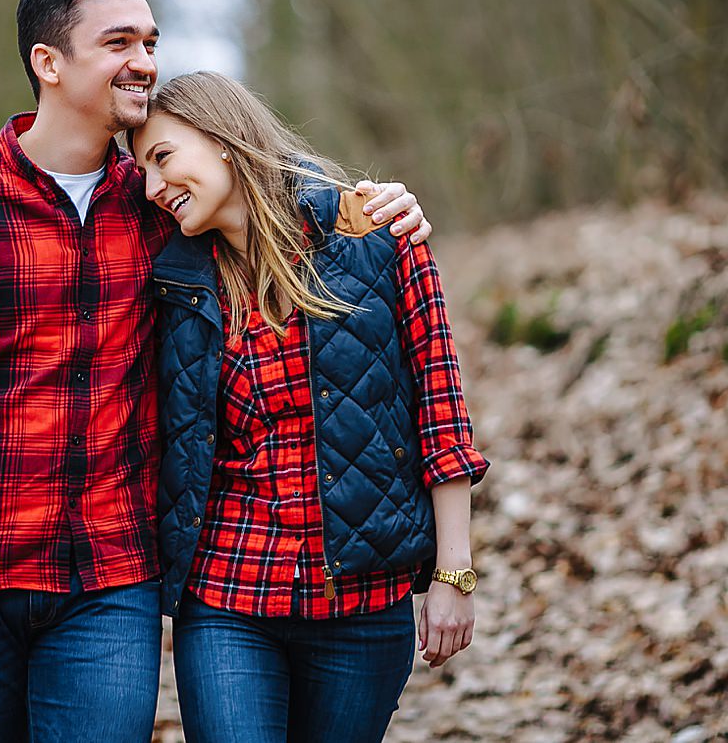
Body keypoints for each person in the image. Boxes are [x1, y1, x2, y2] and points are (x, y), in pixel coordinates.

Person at [0, 0, 431, 743]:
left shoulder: (163, 206)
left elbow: (276, 205)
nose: (145, 62)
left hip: (110, 575)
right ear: (48, 63)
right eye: (119, 41)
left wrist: (382, 203)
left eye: (151, 41)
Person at [130, 71, 489, 743]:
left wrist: (454, 572)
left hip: (361, 603)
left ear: (224, 140)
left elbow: (442, 416)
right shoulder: (174, 281)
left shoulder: (377, 236)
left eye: (164, 157)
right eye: (142, 170)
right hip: (227, 597)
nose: (153, 186)